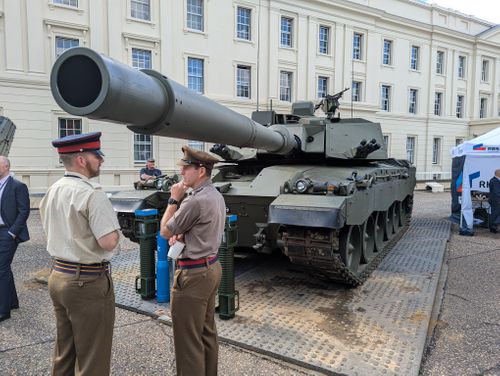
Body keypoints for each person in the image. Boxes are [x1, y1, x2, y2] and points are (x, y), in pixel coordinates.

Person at [39, 132, 120, 375]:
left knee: (65, 351)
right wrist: (117, 232)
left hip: (58, 276)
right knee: (93, 359)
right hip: (87, 282)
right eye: (97, 156)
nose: (101, 161)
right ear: (82, 160)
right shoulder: (91, 193)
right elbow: (108, 242)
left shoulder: (53, 189)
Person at [160, 146, 225, 376]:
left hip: (194, 274)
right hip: (211, 267)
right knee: (206, 333)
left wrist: (172, 199)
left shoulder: (193, 201)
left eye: (186, 168)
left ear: (200, 171)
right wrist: (183, 234)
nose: (181, 173)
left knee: (188, 341)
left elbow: (165, 232)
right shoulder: (214, 195)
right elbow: (198, 228)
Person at [0, 156, 30, 323]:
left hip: (8, 233)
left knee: (1, 269)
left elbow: (24, 211)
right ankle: (12, 302)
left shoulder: (18, 186)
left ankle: (3, 311)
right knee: (4, 267)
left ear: (5, 166)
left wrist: (12, 233)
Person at [488, 169, 500, 233]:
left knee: (495, 214)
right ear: (498, 174)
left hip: (495, 201)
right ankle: (493, 226)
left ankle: (493, 227)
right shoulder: (495, 181)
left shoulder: (495, 180)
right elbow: (497, 192)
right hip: (496, 201)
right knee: (495, 214)